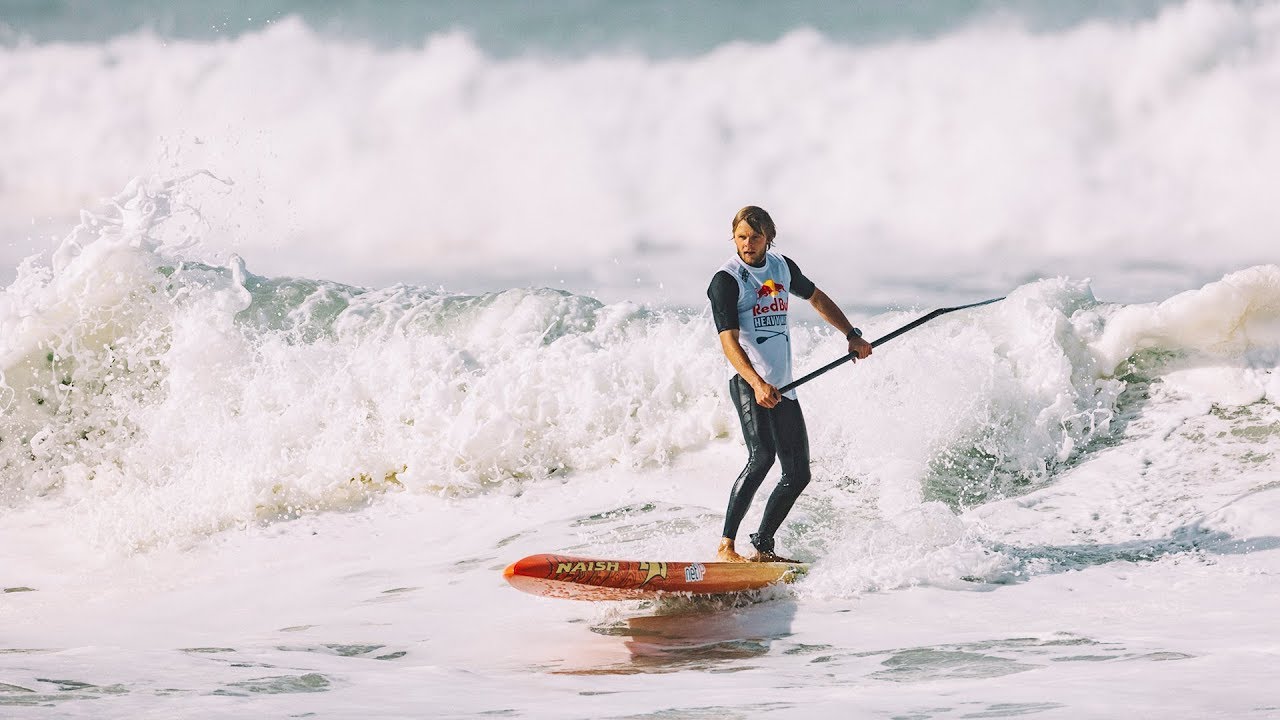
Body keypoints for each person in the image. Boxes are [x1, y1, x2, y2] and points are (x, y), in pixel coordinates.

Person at [707, 206, 872, 562]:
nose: (747, 245)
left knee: (798, 474)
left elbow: (816, 297)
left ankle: (763, 547)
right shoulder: (727, 280)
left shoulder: (782, 267)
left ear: (768, 237)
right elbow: (728, 341)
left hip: (785, 386)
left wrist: (851, 334)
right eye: (740, 238)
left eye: (754, 237)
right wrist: (756, 382)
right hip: (749, 383)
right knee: (762, 457)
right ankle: (726, 546)